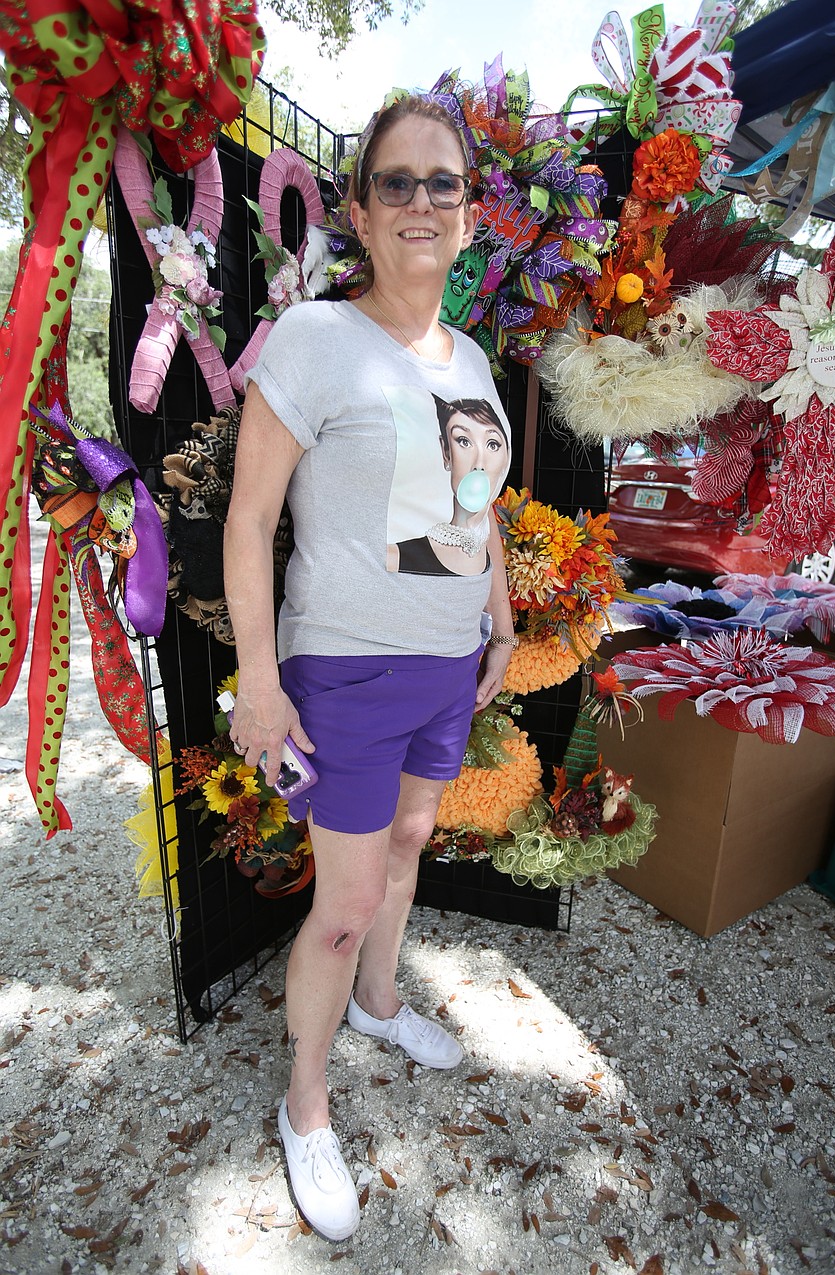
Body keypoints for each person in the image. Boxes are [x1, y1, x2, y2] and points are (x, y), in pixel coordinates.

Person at [223, 94, 517, 1242]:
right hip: (340, 673)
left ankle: (383, 1009)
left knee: (406, 848)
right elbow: (248, 521)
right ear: (357, 208)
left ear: (470, 210)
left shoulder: (473, 354)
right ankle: (307, 1104)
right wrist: (259, 678)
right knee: (340, 908)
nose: (420, 203)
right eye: (395, 181)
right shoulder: (312, 338)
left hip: (446, 668)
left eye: (441, 183)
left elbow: (471, 501)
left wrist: (495, 610)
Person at [388, 395, 510, 577]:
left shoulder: (484, 547)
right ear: (446, 452)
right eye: (464, 441)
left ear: (505, 457)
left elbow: (486, 516)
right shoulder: (396, 555)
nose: (479, 463)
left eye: (492, 444)